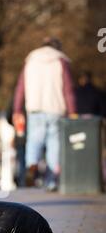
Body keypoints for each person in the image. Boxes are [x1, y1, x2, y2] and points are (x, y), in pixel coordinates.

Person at [13, 37, 76, 191]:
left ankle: (31, 164)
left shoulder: (31, 61)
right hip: (55, 108)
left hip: (35, 108)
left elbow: (21, 87)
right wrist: (73, 111)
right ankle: (52, 179)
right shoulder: (61, 61)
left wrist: (17, 109)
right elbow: (68, 89)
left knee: (34, 139)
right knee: (54, 143)